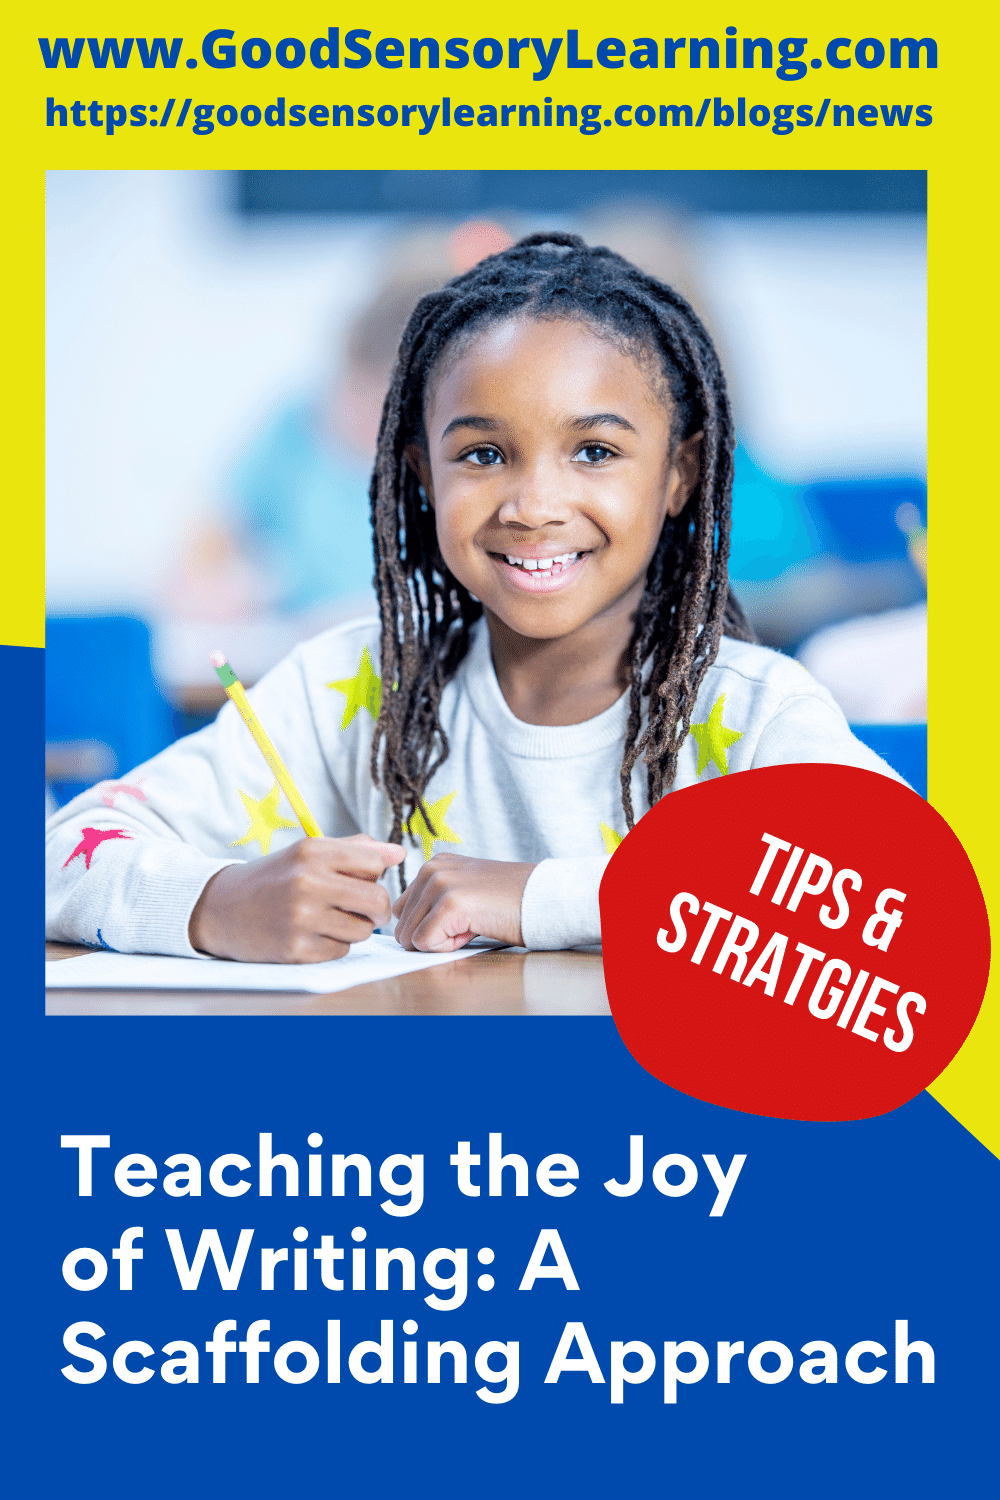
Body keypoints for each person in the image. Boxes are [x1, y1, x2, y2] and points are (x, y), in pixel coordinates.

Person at [45, 233, 898, 962]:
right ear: (421, 476)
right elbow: (58, 852)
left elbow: (896, 909)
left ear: (680, 474)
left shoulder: (750, 715)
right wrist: (214, 903)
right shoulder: (352, 689)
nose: (532, 506)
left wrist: (535, 899)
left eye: (595, 452)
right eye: (484, 455)